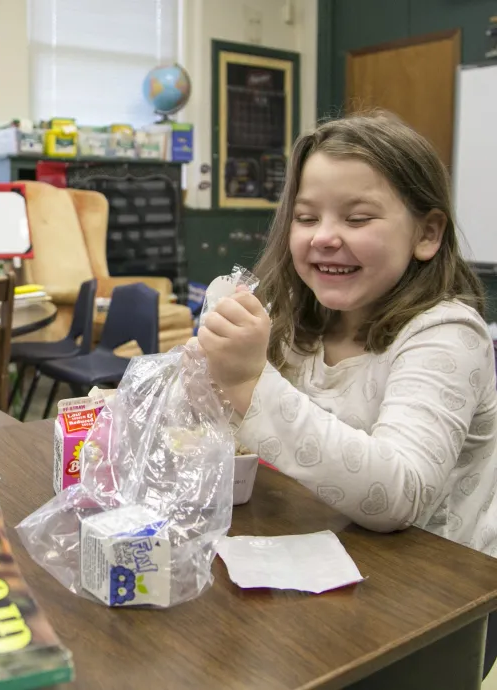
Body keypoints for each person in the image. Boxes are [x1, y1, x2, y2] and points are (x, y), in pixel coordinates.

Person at [197, 112, 497, 677]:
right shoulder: (294, 318)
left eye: (358, 217)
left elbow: (399, 495)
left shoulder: (445, 334)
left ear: (427, 234)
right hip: (315, 575)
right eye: (306, 217)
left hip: (434, 607)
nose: (324, 235)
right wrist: (205, 372)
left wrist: (248, 382)